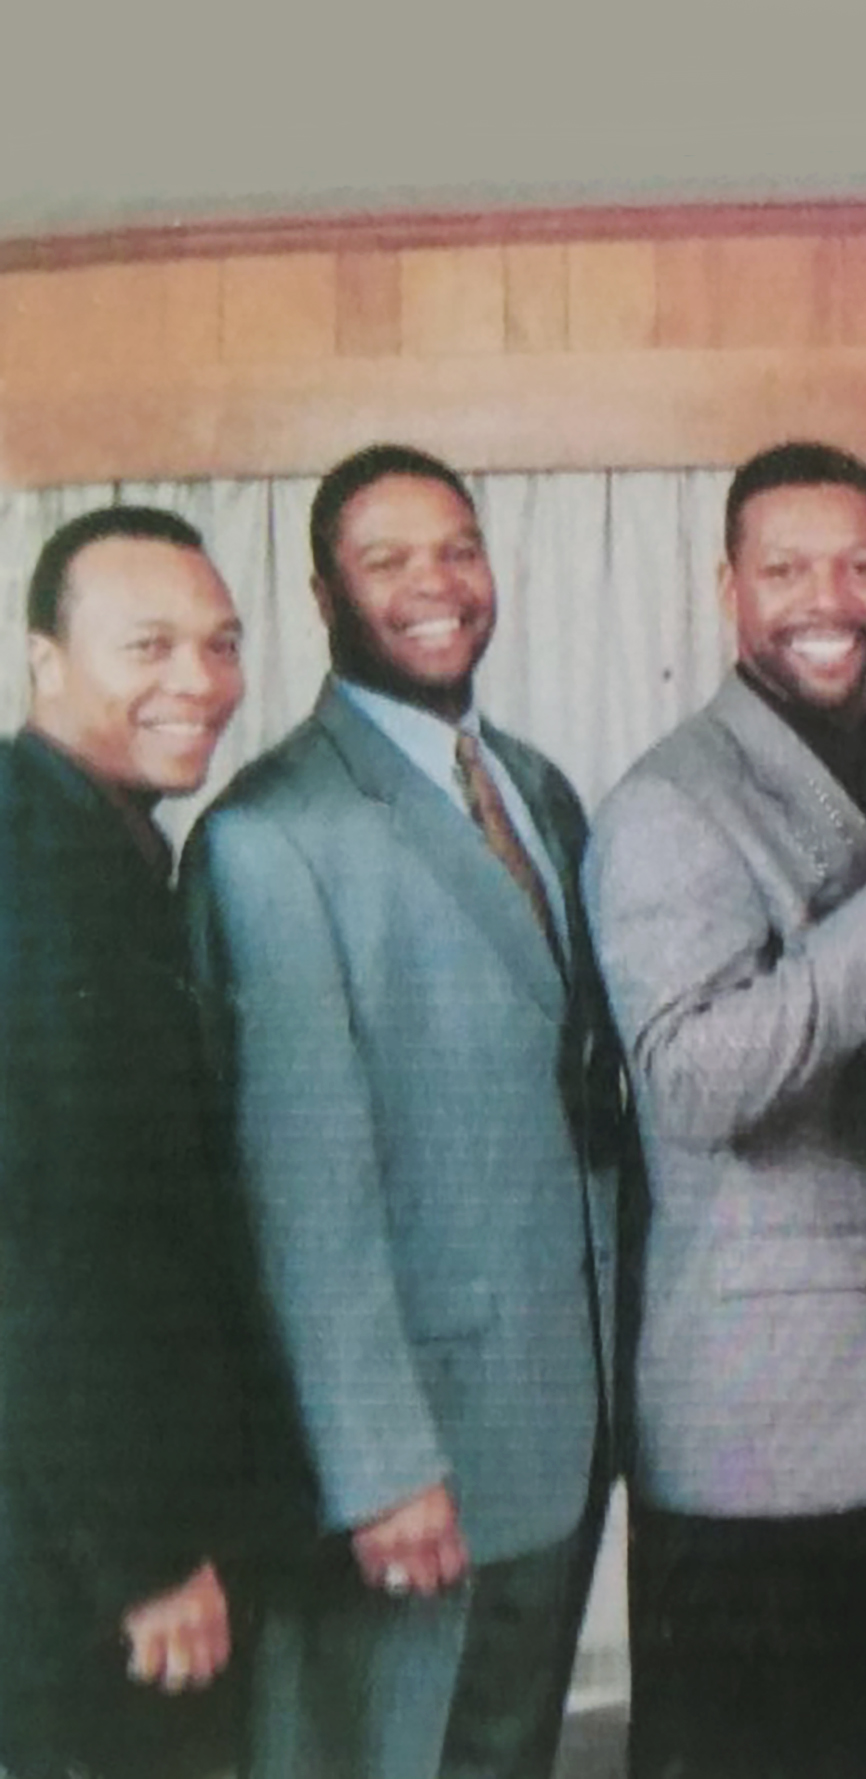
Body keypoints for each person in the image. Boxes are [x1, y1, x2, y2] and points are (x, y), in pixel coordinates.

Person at [584, 442, 866, 1778]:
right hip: (763, 1420)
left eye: (858, 563)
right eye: (785, 568)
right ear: (728, 587)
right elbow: (697, 1079)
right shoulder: (672, 801)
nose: (826, 597)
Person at [185, 445, 626, 1779]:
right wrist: (377, 1464)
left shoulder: (536, 785)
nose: (437, 585)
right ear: (323, 593)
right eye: (388, 560)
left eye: (459, 548)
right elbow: (296, 1186)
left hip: (560, 1416)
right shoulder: (270, 837)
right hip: (410, 1456)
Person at [0, 508, 290, 1779]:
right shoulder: (34, 871)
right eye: (149, 646)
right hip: (85, 1554)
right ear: (42, 660)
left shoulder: (89, 837)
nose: (200, 683)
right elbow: (51, 1257)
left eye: (222, 646)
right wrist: (151, 1555)